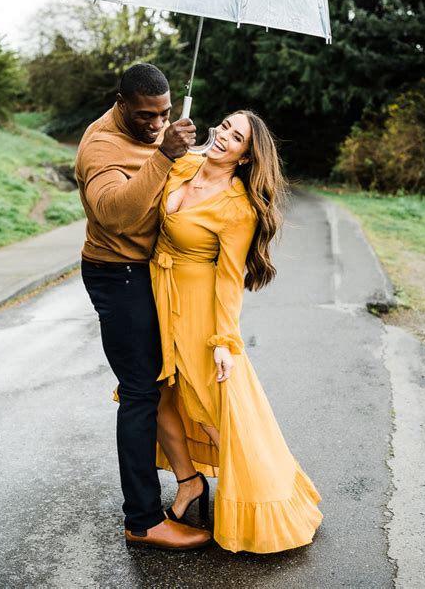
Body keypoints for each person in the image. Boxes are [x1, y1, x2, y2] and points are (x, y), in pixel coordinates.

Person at [150, 110, 323, 553]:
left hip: (199, 313)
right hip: (156, 299)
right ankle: (189, 484)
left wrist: (225, 342)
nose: (225, 135)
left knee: (209, 408)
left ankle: (264, 497)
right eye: (225, 125)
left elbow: (229, 279)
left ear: (247, 156)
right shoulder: (184, 163)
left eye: (238, 137)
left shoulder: (237, 208)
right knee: (158, 397)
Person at [75, 63, 212, 550]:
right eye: (146, 117)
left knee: (160, 380)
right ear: (121, 103)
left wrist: (185, 153)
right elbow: (114, 214)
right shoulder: (100, 147)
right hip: (118, 273)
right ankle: (143, 520)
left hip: (149, 270)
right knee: (139, 392)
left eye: (165, 114)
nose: (156, 125)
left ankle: (189, 482)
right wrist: (165, 156)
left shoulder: (155, 130)